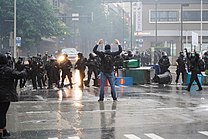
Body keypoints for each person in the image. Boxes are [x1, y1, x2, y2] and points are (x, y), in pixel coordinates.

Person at [0, 53, 26, 138]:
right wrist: (25, 70)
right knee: (2, 113)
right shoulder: (8, 70)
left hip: (4, 95)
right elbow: (19, 75)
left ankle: (4, 130)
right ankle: (1, 131)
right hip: (5, 96)